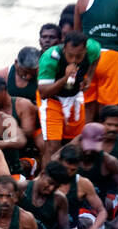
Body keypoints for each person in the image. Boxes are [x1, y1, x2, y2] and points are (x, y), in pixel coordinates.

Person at [35, 31, 96, 166]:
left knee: (74, 142)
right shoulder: (50, 58)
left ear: (85, 50)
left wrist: (89, 77)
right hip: (52, 100)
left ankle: (70, 178)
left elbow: (96, 56)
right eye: (70, 55)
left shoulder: (92, 48)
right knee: (52, 146)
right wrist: (65, 78)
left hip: (74, 97)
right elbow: (44, 93)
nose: (74, 60)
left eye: (79, 56)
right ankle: (48, 179)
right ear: (64, 49)